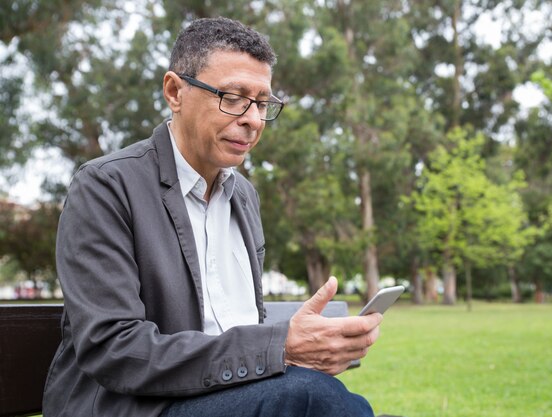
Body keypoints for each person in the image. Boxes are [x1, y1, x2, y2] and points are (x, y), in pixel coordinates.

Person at [43, 16, 383, 417]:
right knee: (311, 397)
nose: (253, 120)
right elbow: (116, 349)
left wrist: (306, 348)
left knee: (321, 392)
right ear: (175, 91)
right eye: (234, 97)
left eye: (262, 103)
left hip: (235, 395)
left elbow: (242, 326)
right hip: (140, 407)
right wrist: (278, 346)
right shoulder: (105, 187)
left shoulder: (243, 196)